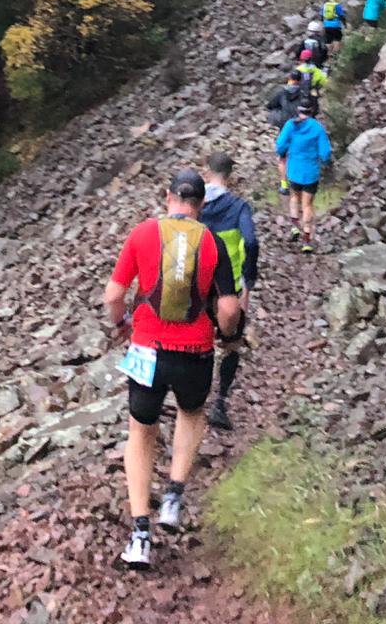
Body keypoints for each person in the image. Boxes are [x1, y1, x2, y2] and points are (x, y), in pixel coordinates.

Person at [105, 168, 241, 567]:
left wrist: (121, 324)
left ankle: (140, 537)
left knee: (141, 431)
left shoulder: (143, 233)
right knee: (191, 413)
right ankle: (173, 498)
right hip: (195, 351)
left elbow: (113, 295)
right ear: (202, 204)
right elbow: (229, 308)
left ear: (168, 197)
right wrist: (226, 335)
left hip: (147, 350)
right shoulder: (212, 242)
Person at [200, 152, 257, 431]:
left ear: (206, 172)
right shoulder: (239, 207)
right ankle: (220, 402)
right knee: (231, 344)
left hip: (198, 287)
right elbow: (251, 242)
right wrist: (249, 277)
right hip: (229, 288)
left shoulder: (194, 203)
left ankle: (193, 398)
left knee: (198, 341)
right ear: (230, 176)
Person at [276, 97, 333, 252]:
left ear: (298, 110)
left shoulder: (291, 125)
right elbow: (325, 152)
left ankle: (295, 226)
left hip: (294, 170)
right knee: (307, 205)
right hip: (311, 173)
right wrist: (326, 162)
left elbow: (280, 145)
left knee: (294, 197)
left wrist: (282, 153)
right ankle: (306, 240)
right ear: (312, 111)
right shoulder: (317, 128)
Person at [266, 71, 305, 191]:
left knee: (283, 158)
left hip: (284, 129)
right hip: (299, 129)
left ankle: (284, 185)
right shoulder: (303, 94)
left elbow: (270, 105)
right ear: (300, 81)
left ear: (289, 78)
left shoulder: (281, 92)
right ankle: (298, 183)